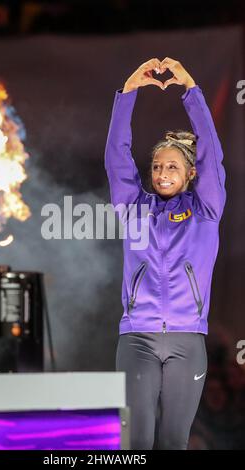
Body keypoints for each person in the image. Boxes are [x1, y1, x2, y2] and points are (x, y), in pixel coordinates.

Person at [104, 57, 226, 450]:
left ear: (190, 173)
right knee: (135, 442)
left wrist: (191, 90)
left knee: (173, 441)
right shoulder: (133, 208)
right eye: (156, 166)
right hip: (136, 338)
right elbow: (116, 158)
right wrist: (128, 92)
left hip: (187, 341)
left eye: (172, 166)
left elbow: (211, 154)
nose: (161, 173)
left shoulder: (206, 211)